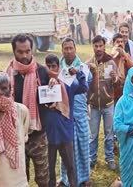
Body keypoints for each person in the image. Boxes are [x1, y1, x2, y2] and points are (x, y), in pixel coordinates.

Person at [6, 34, 56, 186]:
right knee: (21, 180)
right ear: (14, 51)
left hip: (38, 135)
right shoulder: (7, 75)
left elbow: (50, 101)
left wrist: (53, 88)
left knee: (43, 179)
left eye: (27, 51)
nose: (24, 55)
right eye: (20, 52)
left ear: (32, 49)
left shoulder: (42, 72)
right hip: (16, 136)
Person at [44, 53, 89, 187]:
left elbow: (84, 87)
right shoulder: (41, 86)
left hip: (65, 132)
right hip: (49, 134)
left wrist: (79, 73)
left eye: (54, 66)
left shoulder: (67, 84)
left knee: (70, 166)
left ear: (58, 67)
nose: (52, 69)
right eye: (49, 66)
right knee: (49, 169)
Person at [0, 71, 30, 187]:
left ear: (10, 88)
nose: (1, 93)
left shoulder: (22, 111)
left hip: (18, 168)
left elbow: (24, 135)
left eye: (4, 88)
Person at [59, 38, 92, 186]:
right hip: (64, 116)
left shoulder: (84, 68)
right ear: (62, 50)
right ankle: (66, 179)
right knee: (67, 149)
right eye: (66, 48)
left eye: (71, 48)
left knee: (83, 147)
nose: (68, 51)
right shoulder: (58, 69)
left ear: (75, 49)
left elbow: (88, 88)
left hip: (81, 114)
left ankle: (84, 178)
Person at [86, 35, 120, 170]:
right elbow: (85, 85)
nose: (99, 48)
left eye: (101, 46)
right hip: (94, 106)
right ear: (93, 47)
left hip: (108, 104)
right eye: (96, 46)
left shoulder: (111, 63)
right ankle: (92, 158)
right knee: (93, 135)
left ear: (104, 46)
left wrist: (115, 78)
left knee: (109, 133)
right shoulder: (89, 64)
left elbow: (117, 84)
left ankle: (109, 158)